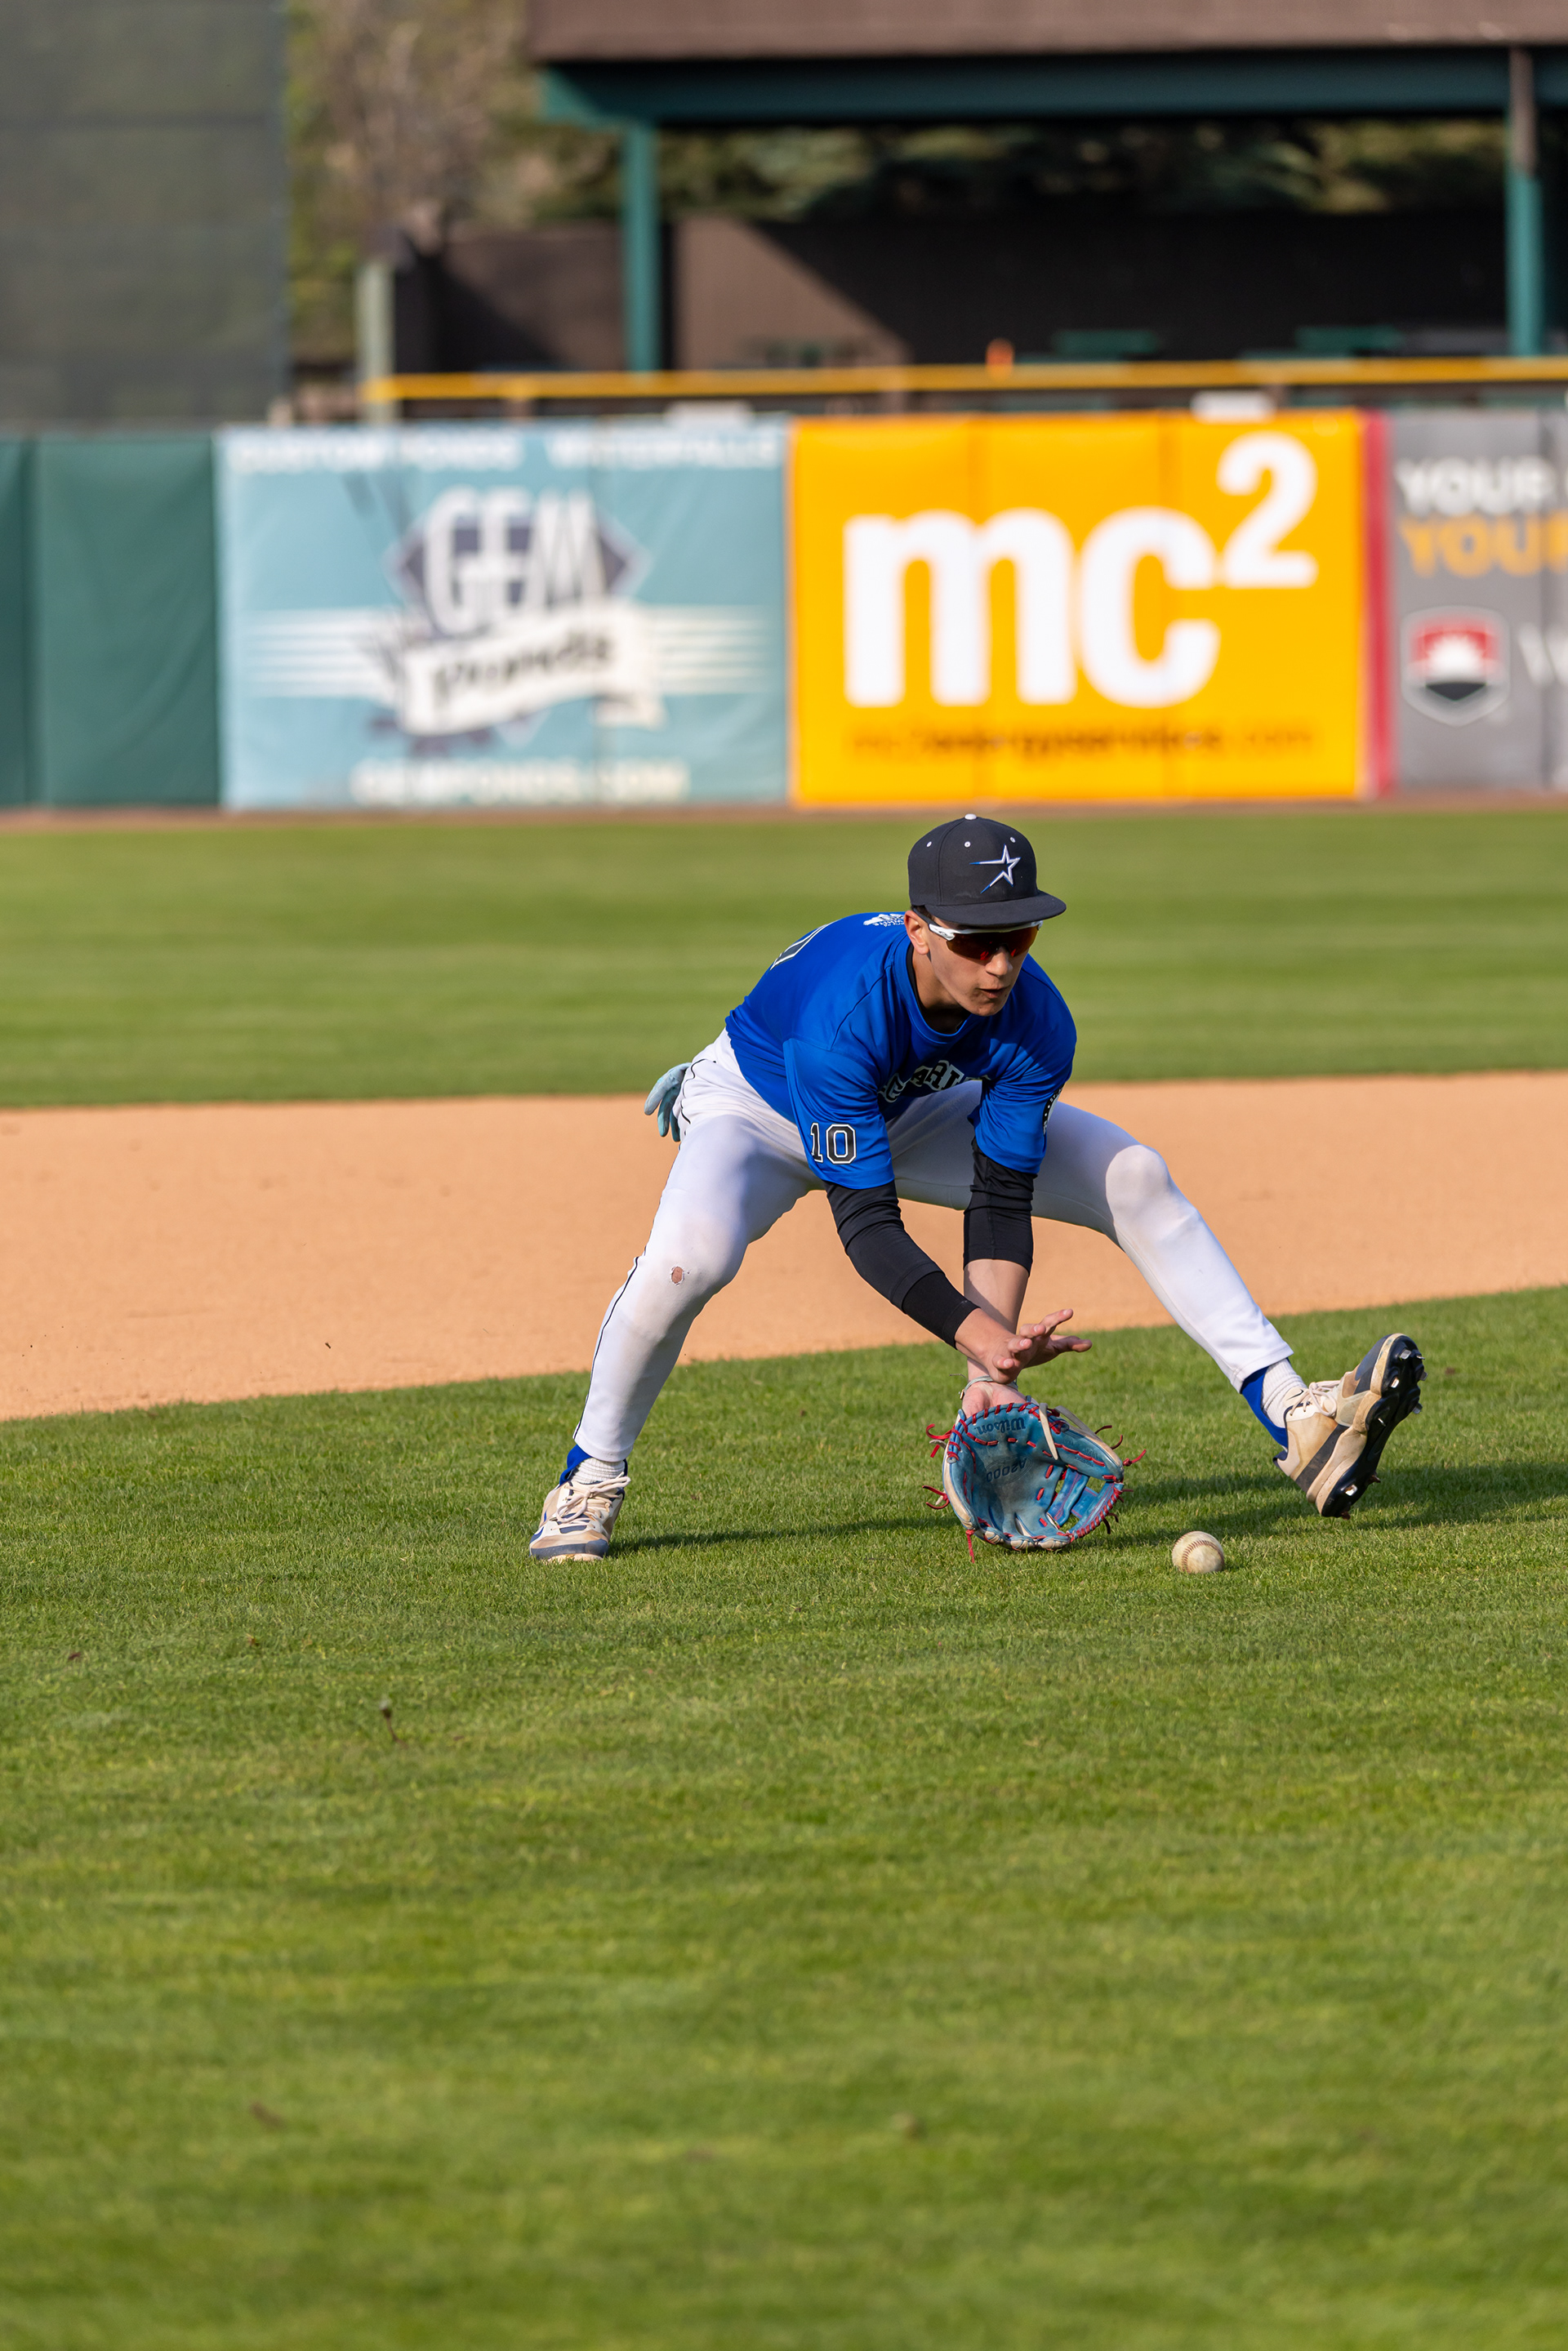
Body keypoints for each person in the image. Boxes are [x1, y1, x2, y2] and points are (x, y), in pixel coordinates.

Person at [530, 815, 1423, 1562]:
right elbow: (868, 1227)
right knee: (689, 1260)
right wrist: (976, 1331)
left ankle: (1293, 1415)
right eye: (976, 941)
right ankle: (589, 1476)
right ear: (919, 928)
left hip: (909, 1103)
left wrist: (986, 1369)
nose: (1000, 964)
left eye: (1019, 937)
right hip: (758, 1108)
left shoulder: (1035, 1018)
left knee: (1134, 1176)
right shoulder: (844, 1015)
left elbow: (1000, 1193)